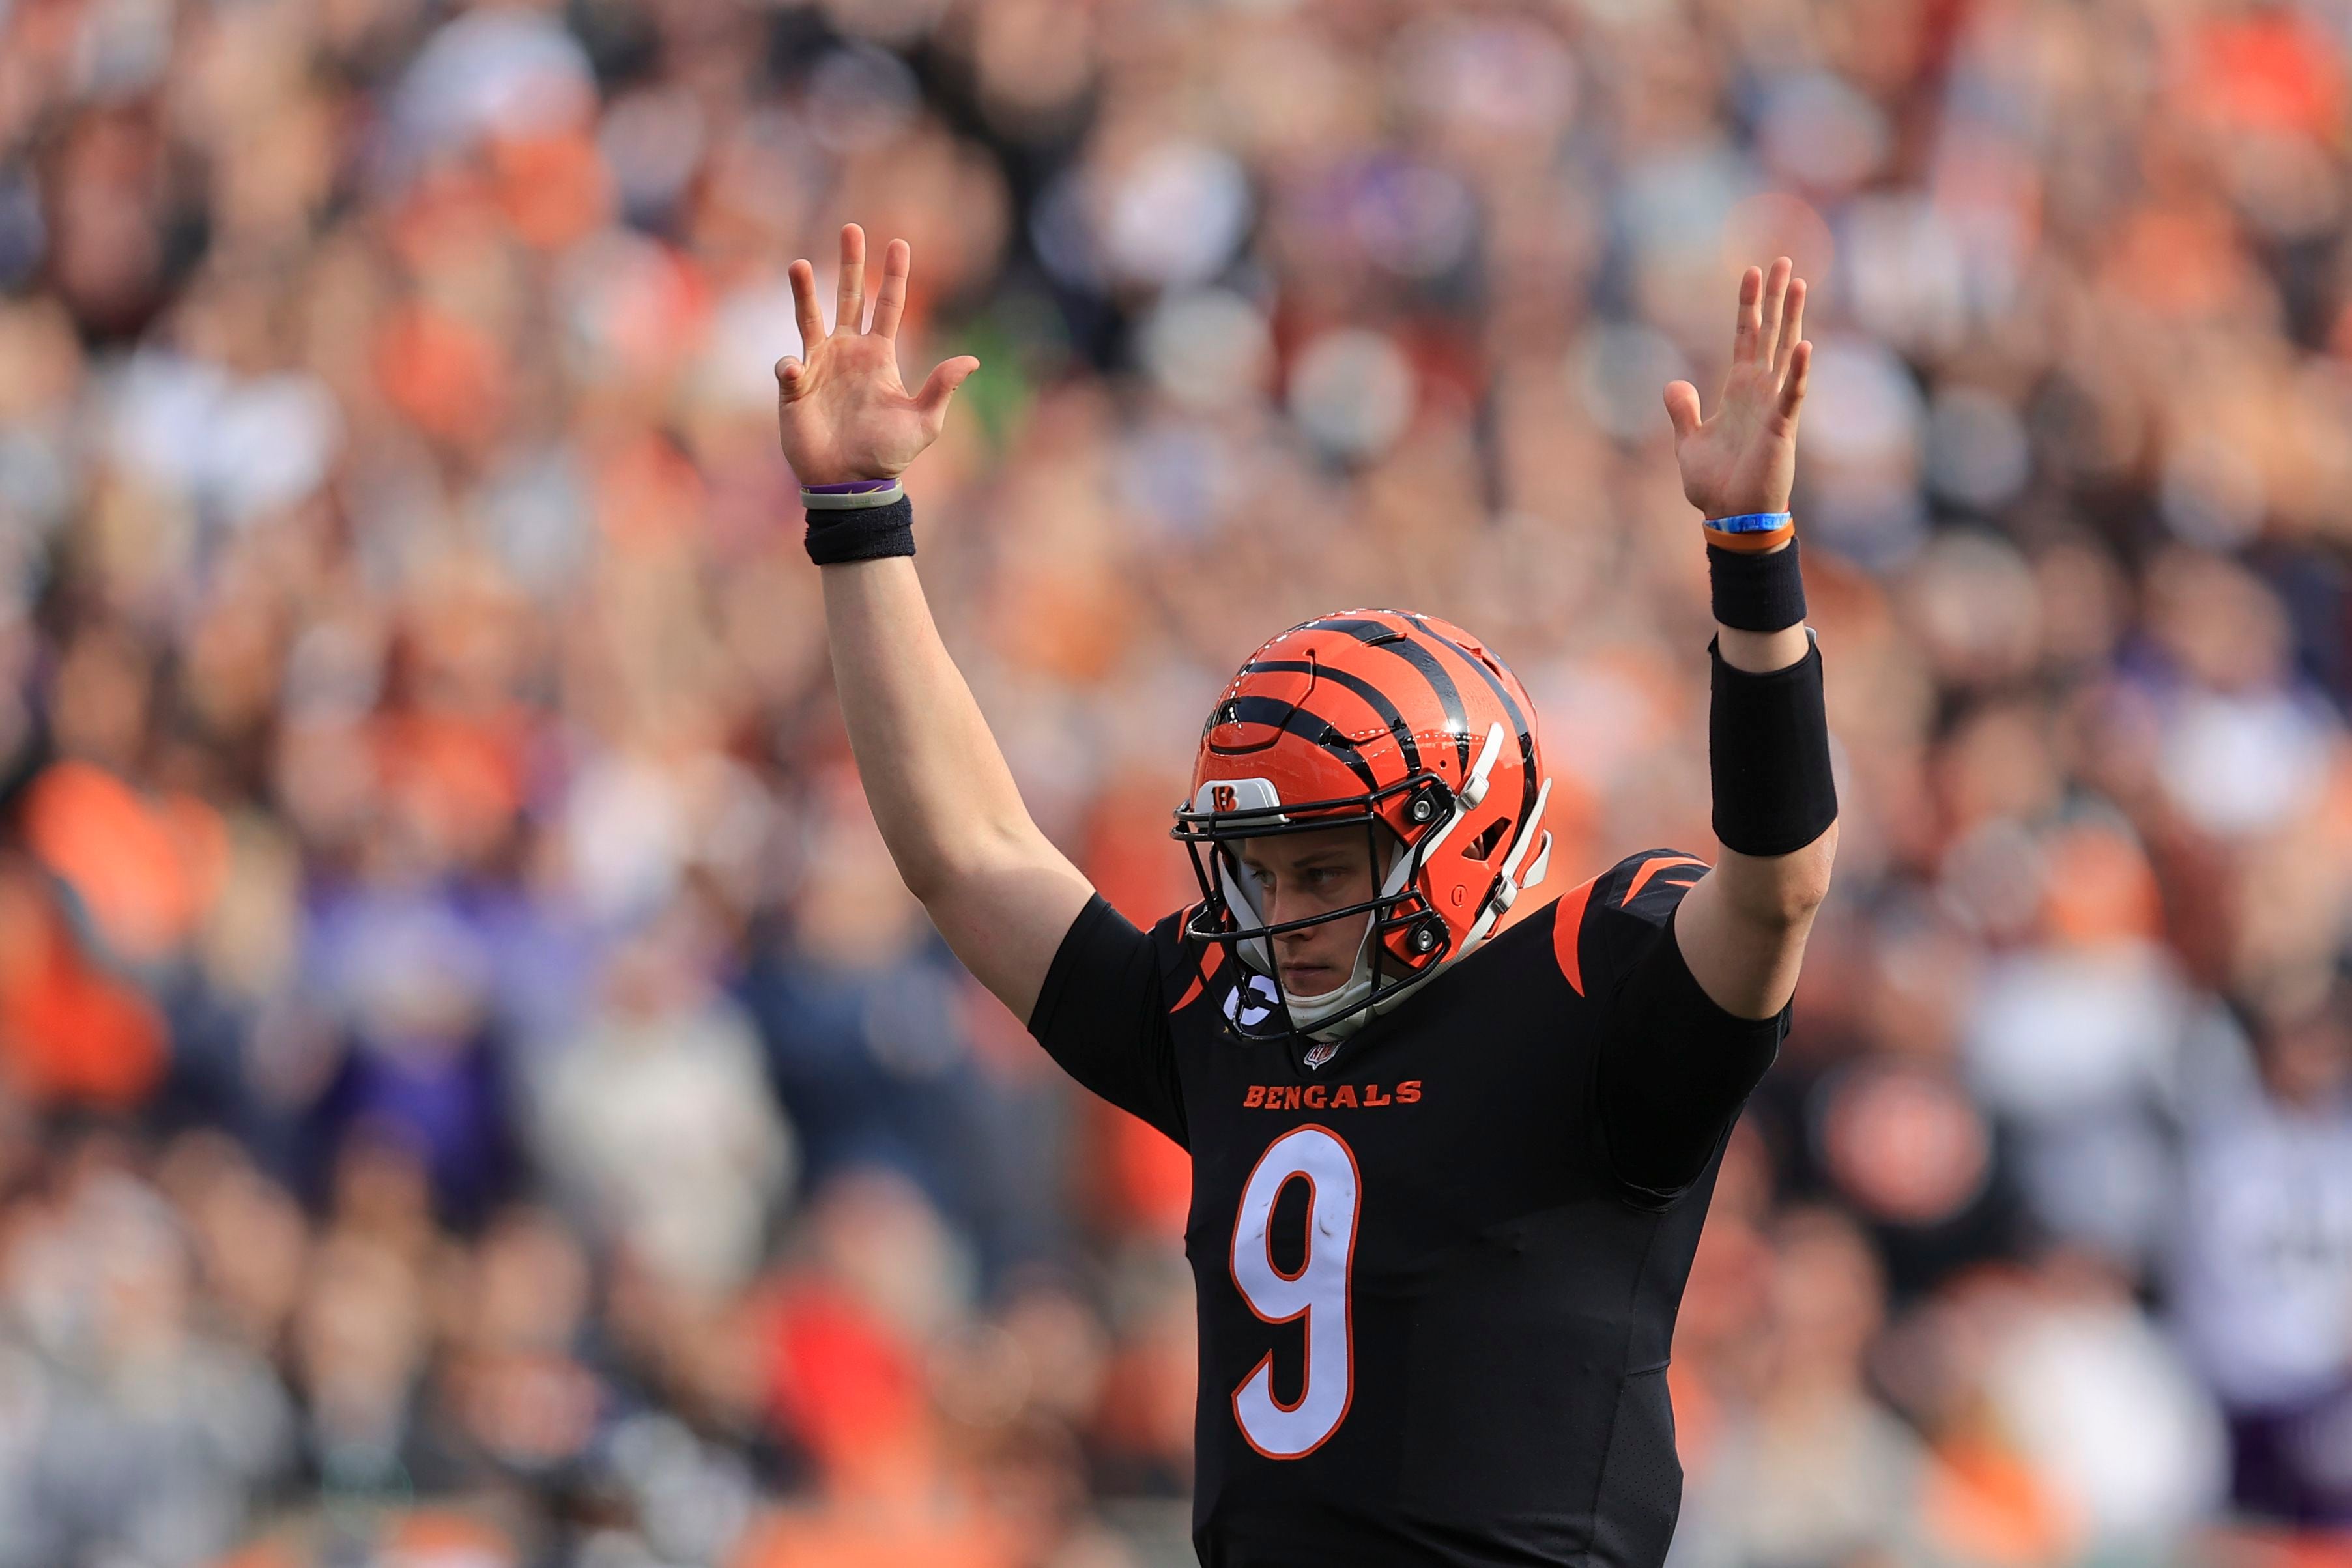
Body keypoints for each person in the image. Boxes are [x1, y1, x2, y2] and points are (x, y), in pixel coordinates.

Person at [777, 223, 1838, 1567]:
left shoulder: (1590, 994)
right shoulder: (1226, 1012)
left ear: (1458, 838)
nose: (1283, 909)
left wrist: (1751, 554)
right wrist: (859, 521)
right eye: (1259, 868)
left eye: (1325, 866)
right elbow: (970, 852)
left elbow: (1781, 883)